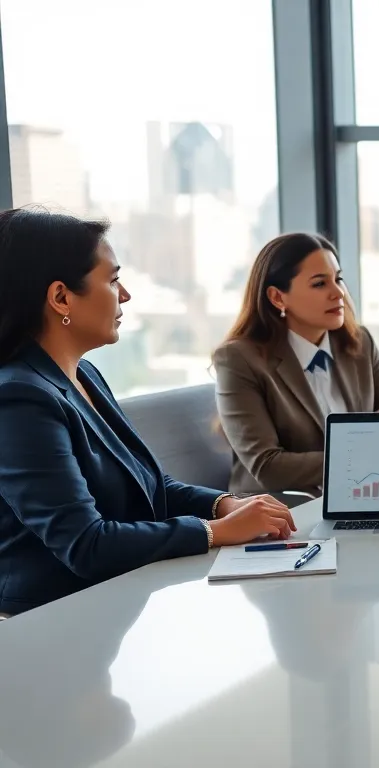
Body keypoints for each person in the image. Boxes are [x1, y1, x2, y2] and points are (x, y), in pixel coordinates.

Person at [0, 209, 296, 616]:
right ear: (61, 297)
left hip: (120, 599)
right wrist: (215, 532)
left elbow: (151, 485)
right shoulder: (19, 399)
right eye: (113, 279)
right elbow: (86, 545)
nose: (125, 295)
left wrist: (224, 504)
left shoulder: (83, 374)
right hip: (53, 621)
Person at [213, 233, 379, 497]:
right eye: (320, 284)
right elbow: (268, 466)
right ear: (277, 297)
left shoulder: (359, 344)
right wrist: (367, 446)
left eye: (338, 279)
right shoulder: (239, 360)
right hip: (281, 512)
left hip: (359, 497)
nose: (338, 293)